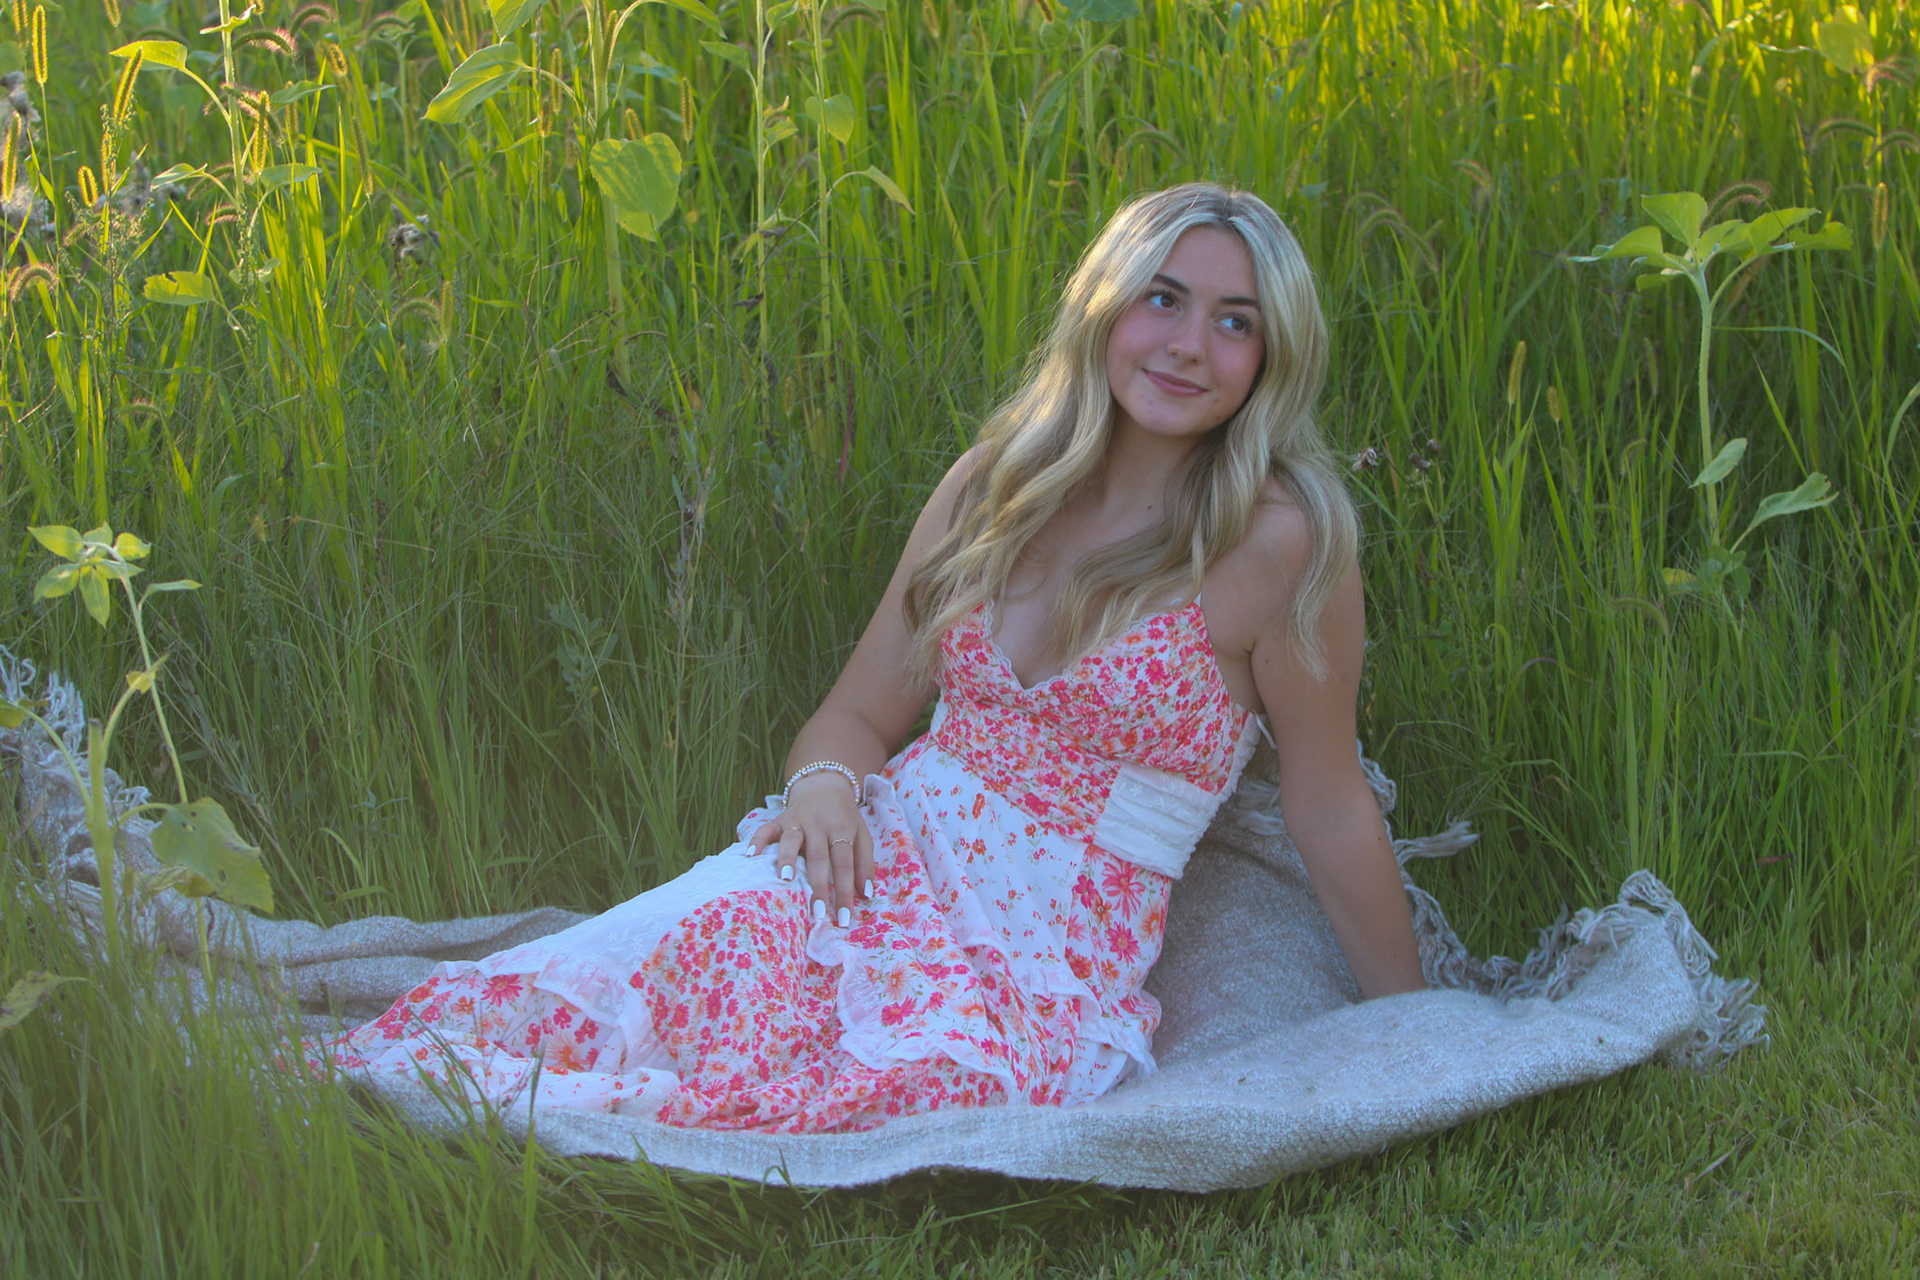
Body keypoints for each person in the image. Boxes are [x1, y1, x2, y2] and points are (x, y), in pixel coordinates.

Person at [313, 182, 1425, 1133]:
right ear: (1106, 306)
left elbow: (1327, 802)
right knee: (643, 974)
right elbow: (854, 716)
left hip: (1032, 961)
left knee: (901, 1085)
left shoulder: (1282, 545)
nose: (1188, 344)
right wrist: (823, 789)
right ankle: (373, 1093)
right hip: (867, 857)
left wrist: (1419, 1029)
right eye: (1163, 298)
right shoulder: (1000, 484)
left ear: (1271, 356)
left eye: (1235, 322)